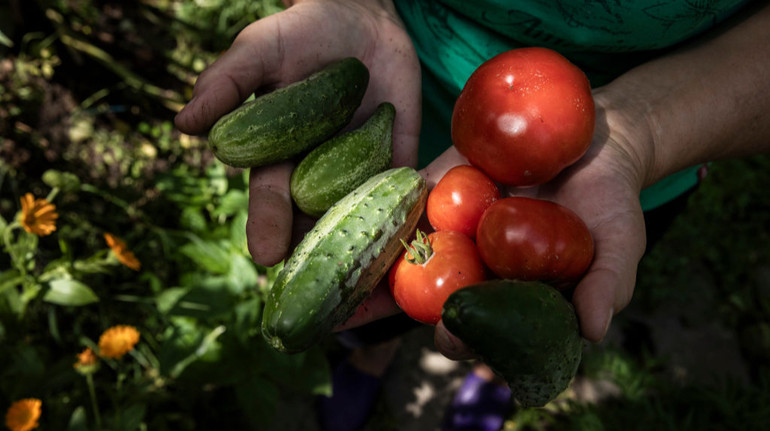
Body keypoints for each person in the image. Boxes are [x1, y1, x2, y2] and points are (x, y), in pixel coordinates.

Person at [175, 1, 770, 430]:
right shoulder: (412, 183)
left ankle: (491, 376)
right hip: (406, 103)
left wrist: (646, 134)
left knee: (518, 311)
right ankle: (374, 353)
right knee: (381, 295)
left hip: (603, 169)